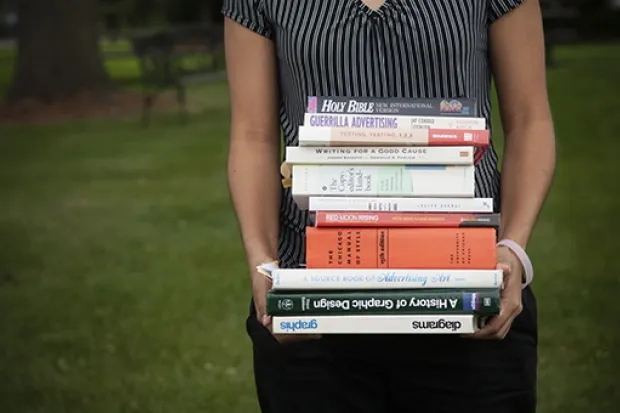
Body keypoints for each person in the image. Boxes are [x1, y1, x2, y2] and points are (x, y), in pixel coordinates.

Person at [221, 0, 556, 412]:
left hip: (470, 294)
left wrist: (514, 247)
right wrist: (262, 259)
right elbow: (252, 134)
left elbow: (529, 119)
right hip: (312, 300)